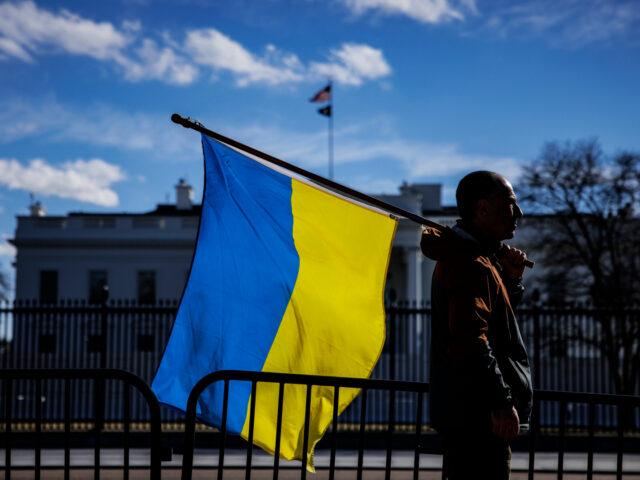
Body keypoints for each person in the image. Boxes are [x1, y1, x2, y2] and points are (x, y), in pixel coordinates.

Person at [421, 171, 533, 480]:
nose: (519, 212)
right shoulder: (472, 264)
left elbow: (493, 326)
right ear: (482, 209)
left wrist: (510, 279)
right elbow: (471, 340)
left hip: (467, 413)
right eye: (511, 203)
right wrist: (500, 401)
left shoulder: (476, 260)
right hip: (479, 418)